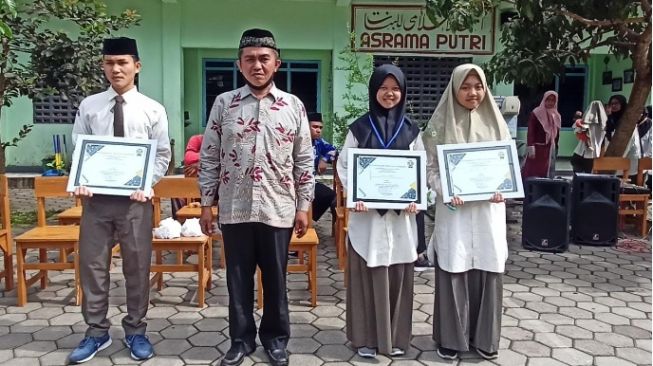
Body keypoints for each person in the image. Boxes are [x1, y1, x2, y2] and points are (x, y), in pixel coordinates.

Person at [198, 28, 313, 366]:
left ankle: (276, 341)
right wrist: (207, 204)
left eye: (264, 59)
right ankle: (240, 340)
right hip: (235, 208)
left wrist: (304, 206)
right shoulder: (224, 104)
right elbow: (209, 156)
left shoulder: (293, 106)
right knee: (237, 280)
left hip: (278, 207)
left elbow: (304, 159)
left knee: (276, 280)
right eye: (250, 59)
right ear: (239, 64)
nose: (257, 65)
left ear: (277, 64)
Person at [68, 37, 171, 364]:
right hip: (96, 203)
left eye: (123, 62)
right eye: (110, 63)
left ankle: (136, 331)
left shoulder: (153, 109)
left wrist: (147, 183)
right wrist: (81, 180)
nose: (116, 69)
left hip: (135, 204)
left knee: (137, 268)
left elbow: (163, 155)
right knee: (92, 268)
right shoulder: (90, 105)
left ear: (136, 66)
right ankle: (96, 332)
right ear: (103, 66)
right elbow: (79, 149)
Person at [423, 63, 509, 361]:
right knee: (454, 265)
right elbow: (429, 168)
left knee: (488, 265)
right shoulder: (438, 124)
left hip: (488, 213)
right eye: (465, 86)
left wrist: (504, 188)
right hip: (455, 212)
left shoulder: (497, 124)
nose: (473, 93)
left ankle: (485, 338)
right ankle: (451, 338)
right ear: (454, 88)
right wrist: (444, 188)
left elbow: (507, 169)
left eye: (478, 86)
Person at [336, 64, 421, 359]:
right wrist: (354, 192)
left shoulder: (412, 130)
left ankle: (396, 338)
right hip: (367, 217)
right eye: (383, 88)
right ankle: (365, 339)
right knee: (365, 275)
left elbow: (421, 168)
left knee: (398, 274)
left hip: (401, 219)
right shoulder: (359, 127)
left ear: (403, 91)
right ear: (374, 91)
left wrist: (417, 198)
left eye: (395, 88)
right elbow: (345, 165)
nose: (389, 94)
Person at [521, 91, 561, 179]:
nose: (550, 103)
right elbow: (531, 130)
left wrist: (556, 147)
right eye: (548, 100)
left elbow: (557, 134)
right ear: (544, 100)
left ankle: (544, 189)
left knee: (546, 173)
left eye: (553, 100)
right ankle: (528, 189)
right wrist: (531, 146)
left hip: (549, 149)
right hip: (537, 149)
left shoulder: (556, 115)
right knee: (531, 172)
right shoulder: (536, 113)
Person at [309, 112, 337, 222]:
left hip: (310, 183)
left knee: (330, 196)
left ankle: (309, 219)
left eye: (320, 127)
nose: (318, 130)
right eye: (315, 127)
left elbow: (334, 150)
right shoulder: (295, 141)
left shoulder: (318, 142)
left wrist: (324, 159)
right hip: (291, 183)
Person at [570, 101, 607, 174]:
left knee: (587, 176)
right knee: (577, 175)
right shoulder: (584, 121)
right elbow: (577, 132)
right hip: (579, 153)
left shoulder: (603, 125)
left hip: (591, 156)